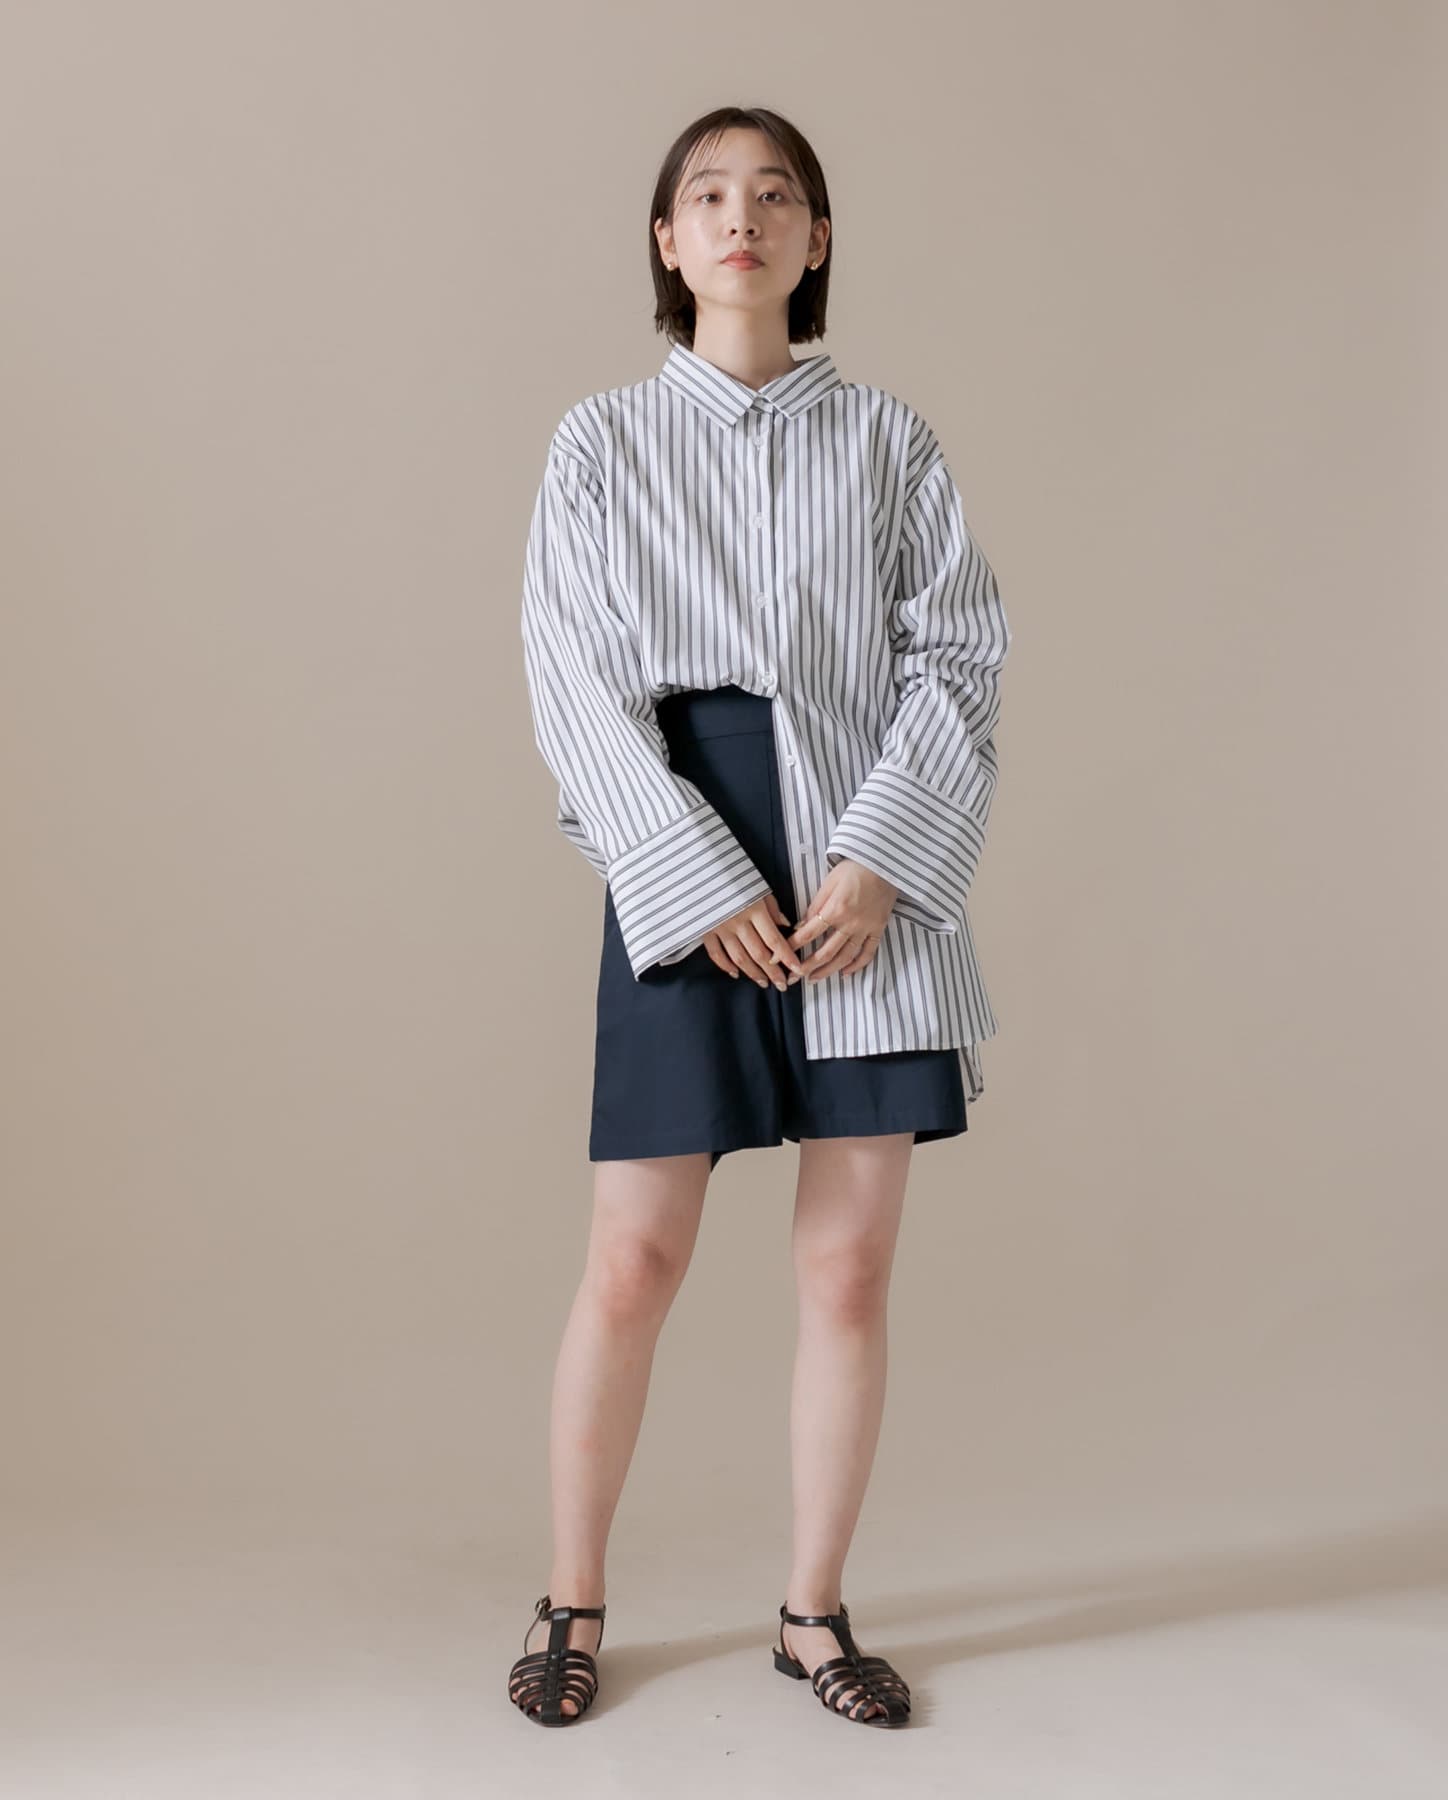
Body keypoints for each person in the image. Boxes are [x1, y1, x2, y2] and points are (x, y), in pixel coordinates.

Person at [508, 105, 1012, 1729]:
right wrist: (697, 870)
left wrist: (880, 862)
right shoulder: (599, 442)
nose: (745, 217)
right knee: (634, 1257)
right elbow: (573, 677)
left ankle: (813, 1614)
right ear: (669, 240)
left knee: (849, 1269)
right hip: (688, 843)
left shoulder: (890, 440)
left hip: (867, 859)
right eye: (711, 195)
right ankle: (572, 1597)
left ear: (817, 239)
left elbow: (958, 658)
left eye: (777, 194)